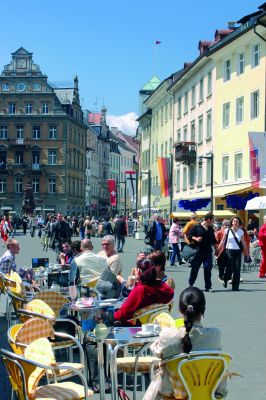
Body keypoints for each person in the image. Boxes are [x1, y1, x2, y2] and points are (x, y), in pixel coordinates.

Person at [144, 287, 225, 400]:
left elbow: (156, 351)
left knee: (161, 369)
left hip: (174, 395)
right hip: (209, 395)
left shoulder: (168, 335)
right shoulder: (216, 335)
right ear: (203, 310)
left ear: (180, 310)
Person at [188, 213, 217, 292]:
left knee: (208, 269)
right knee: (195, 268)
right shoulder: (196, 227)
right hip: (198, 251)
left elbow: (213, 241)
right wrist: (196, 239)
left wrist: (216, 250)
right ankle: (191, 282)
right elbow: (189, 235)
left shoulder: (211, 229)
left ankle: (208, 286)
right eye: (213, 220)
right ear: (209, 219)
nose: (214, 221)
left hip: (208, 252)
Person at [218, 216, 247, 291]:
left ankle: (235, 286)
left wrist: (246, 251)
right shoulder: (227, 230)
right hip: (229, 251)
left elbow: (243, 242)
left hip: (238, 251)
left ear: (239, 223)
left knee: (237, 269)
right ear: (231, 222)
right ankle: (225, 278)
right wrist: (218, 249)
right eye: (234, 221)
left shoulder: (241, 231)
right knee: (230, 268)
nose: (235, 223)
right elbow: (223, 240)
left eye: (237, 222)